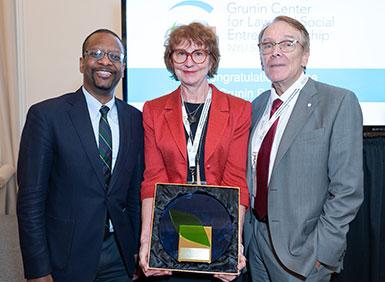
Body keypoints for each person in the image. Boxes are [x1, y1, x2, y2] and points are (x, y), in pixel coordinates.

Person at [243, 15, 364, 281]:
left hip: (304, 253)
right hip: (257, 245)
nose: (275, 52)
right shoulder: (255, 107)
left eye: (287, 44)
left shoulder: (337, 102)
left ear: (305, 55)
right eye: (267, 45)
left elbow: (348, 190)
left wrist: (323, 251)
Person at [17, 29, 143, 282]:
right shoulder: (47, 116)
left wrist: (138, 256)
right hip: (65, 258)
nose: (106, 61)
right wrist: (38, 269)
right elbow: (30, 201)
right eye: (96, 53)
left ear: (123, 66)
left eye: (114, 56)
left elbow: (133, 196)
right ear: (82, 62)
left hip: (120, 257)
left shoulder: (134, 119)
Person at [138, 22, 251, 282]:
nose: (189, 62)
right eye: (181, 53)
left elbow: (235, 181)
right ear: (171, 60)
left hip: (220, 226)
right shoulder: (153, 111)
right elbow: (152, 180)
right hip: (170, 228)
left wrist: (235, 245)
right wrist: (146, 242)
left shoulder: (238, 109)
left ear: (211, 60)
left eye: (198, 53)